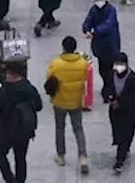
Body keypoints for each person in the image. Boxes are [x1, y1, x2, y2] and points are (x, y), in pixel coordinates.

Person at [0, 60, 43, 183]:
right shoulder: (29, 88)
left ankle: (9, 179)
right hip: (23, 130)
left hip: (6, 129)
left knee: (0, 154)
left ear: (11, 73)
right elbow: (39, 106)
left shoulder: (5, 90)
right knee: (20, 158)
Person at [44, 35, 91, 172]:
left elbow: (49, 78)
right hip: (76, 101)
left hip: (59, 101)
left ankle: (61, 156)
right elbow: (86, 77)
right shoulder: (82, 63)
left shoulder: (56, 63)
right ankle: (82, 156)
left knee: (60, 128)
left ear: (63, 47)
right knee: (78, 129)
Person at [106, 52, 135, 174]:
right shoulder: (111, 75)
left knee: (125, 133)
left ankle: (119, 160)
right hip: (114, 110)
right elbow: (107, 89)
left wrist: (121, 103)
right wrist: (111, 99)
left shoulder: (133, 78)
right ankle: (123, 148)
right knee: (117, 131)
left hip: (128, 112)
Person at [82, 0, 121, 96]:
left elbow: (109, 25)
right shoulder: (93, 10)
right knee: (102, 70)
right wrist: (86, 29)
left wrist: (94, 32)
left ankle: (108, 89)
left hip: (111, 45)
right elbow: (88, 21)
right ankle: (108, 86)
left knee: (110, 69)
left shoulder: (111, 10)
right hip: (99, 46)